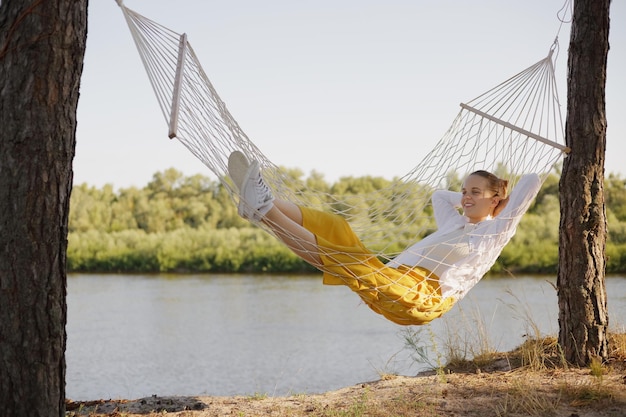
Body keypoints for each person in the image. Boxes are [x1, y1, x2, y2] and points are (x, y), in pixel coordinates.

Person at [227, 151, 542, 325]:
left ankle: (263, 209)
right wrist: (468, 201)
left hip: (424, 299)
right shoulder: (453, 222)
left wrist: (500, 206)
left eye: (475, 192)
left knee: (347, 261)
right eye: (464, 191)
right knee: (339, 229)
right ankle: (259, 205)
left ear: (496, 199)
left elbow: (532, 182)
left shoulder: (495, 232)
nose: (466, 197)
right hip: (397, 280)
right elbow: (438, 196)